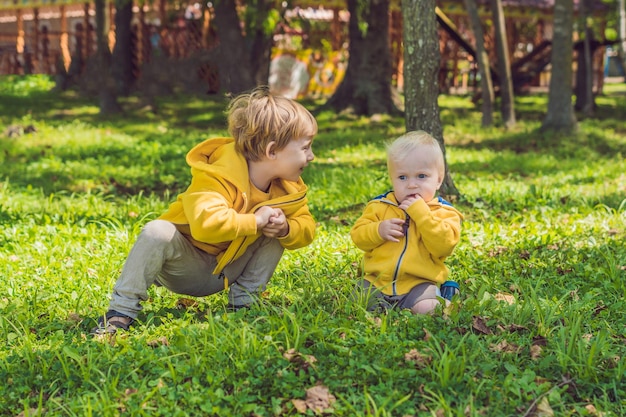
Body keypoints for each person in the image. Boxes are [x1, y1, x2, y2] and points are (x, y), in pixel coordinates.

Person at [93, 86, 317, 334]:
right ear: (272, 151)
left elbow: (307, 227)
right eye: (305, 147)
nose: (312, 156)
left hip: (229, 269)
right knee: (156, 231)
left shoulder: (288, 188)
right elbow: (207, 224)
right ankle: (120, 312)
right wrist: (254, 221)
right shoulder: (216, 176)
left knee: (278, 226)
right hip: (188, 266)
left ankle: (244, 304)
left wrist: (286, 228)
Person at [350, 130, 463, 315]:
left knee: (430, 310)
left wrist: (422, 216)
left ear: (439, 180)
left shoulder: (443, 212)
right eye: (402, 177)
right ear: (392, 179)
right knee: (356, 303)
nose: (411, 184)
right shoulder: (380, 206)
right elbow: (358, 237)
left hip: (419, 283)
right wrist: (378, 230)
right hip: (377, 280)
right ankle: (383, 308)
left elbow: (444, 246)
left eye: (421, 176)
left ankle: (445, 293)